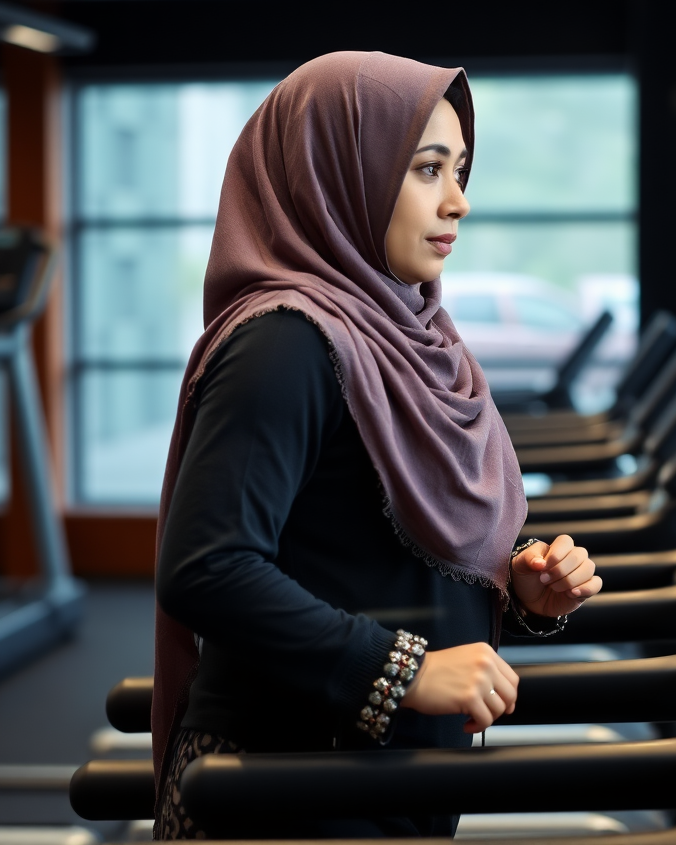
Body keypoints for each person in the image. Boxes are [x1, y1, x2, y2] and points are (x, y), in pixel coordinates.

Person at [152, 51, 603, 839]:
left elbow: (364, 540)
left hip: (373, 776)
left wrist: (517, 586)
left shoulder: (412, 335)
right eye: (428, 170)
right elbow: (206, 568)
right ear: (340, 173)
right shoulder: (285, 343)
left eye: (461, 171)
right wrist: (407, 669)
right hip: (284, 791)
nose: (459, 202)